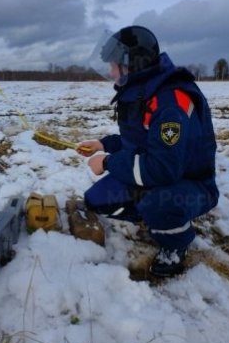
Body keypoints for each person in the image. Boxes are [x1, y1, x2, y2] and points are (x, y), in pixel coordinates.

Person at [76, 25, 219, 277]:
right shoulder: (145, 91)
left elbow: (162, 169)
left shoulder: (170, 103)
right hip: (162, 173)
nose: (110, 72)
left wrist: (108, 162)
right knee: (96, 200)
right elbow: (139, 141)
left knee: (158, 204)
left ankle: (176, 243)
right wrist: (104, 144)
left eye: (114, 66)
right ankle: (151, 211)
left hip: (191, 184)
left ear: (133, 64)